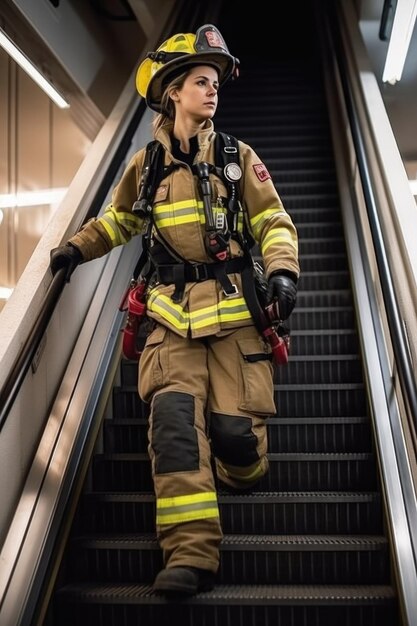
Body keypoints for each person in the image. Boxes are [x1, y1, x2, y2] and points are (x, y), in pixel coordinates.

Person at [50, 24, 299, 596]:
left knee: (236, 441)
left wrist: (283, 272)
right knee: (175, 434)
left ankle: (242, 468)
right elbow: (120, 220)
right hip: (170, 319)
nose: (212, 92)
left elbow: (274, 222)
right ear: (172, 92)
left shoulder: (239, 158)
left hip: (235, 315)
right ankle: (190, 554)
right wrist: (76, 248)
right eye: (200, 82)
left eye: (215, 83)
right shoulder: (147, 165)